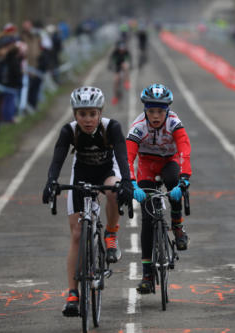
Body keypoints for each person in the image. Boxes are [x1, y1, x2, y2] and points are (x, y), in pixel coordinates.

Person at [42, 86, 133, 316]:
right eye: (83, 114)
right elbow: (58, 160)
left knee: (113, 191)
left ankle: (111, 234)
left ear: (100, 113)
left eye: (92, 114)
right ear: (75, 115)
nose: (88, 119)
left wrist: (128, 183)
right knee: (76, 234)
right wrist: (51, 182)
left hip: (107, 171)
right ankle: (73, 294)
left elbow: (122, 158)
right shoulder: (69, 131)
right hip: (81, 174)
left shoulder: (111, 128)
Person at [126, 84, 191, 294]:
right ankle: (147, 274)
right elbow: (127, 157)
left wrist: (184, 178)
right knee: (146, 216)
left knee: (173, 181)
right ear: (145, 109)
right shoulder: (138, 127)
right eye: (151, 111)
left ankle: (177, 225)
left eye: (160, 111)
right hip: (146, 165)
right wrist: (132, 183)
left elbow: (184, 150)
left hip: (169, 162)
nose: (155, 116)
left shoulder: (174, 123)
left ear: (167, 111)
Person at [108, 41, 131, 105]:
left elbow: (129, 59)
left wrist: (129, 64)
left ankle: (126, 82)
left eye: (123, 49)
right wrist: (110, 66)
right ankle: (115, 97)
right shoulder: (115, 53)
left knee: (126, 67)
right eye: (120, 49)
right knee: (115, 81)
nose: (122, 51)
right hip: (117, 67)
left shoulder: (126, 52)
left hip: (124, 65)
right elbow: (111, 60)